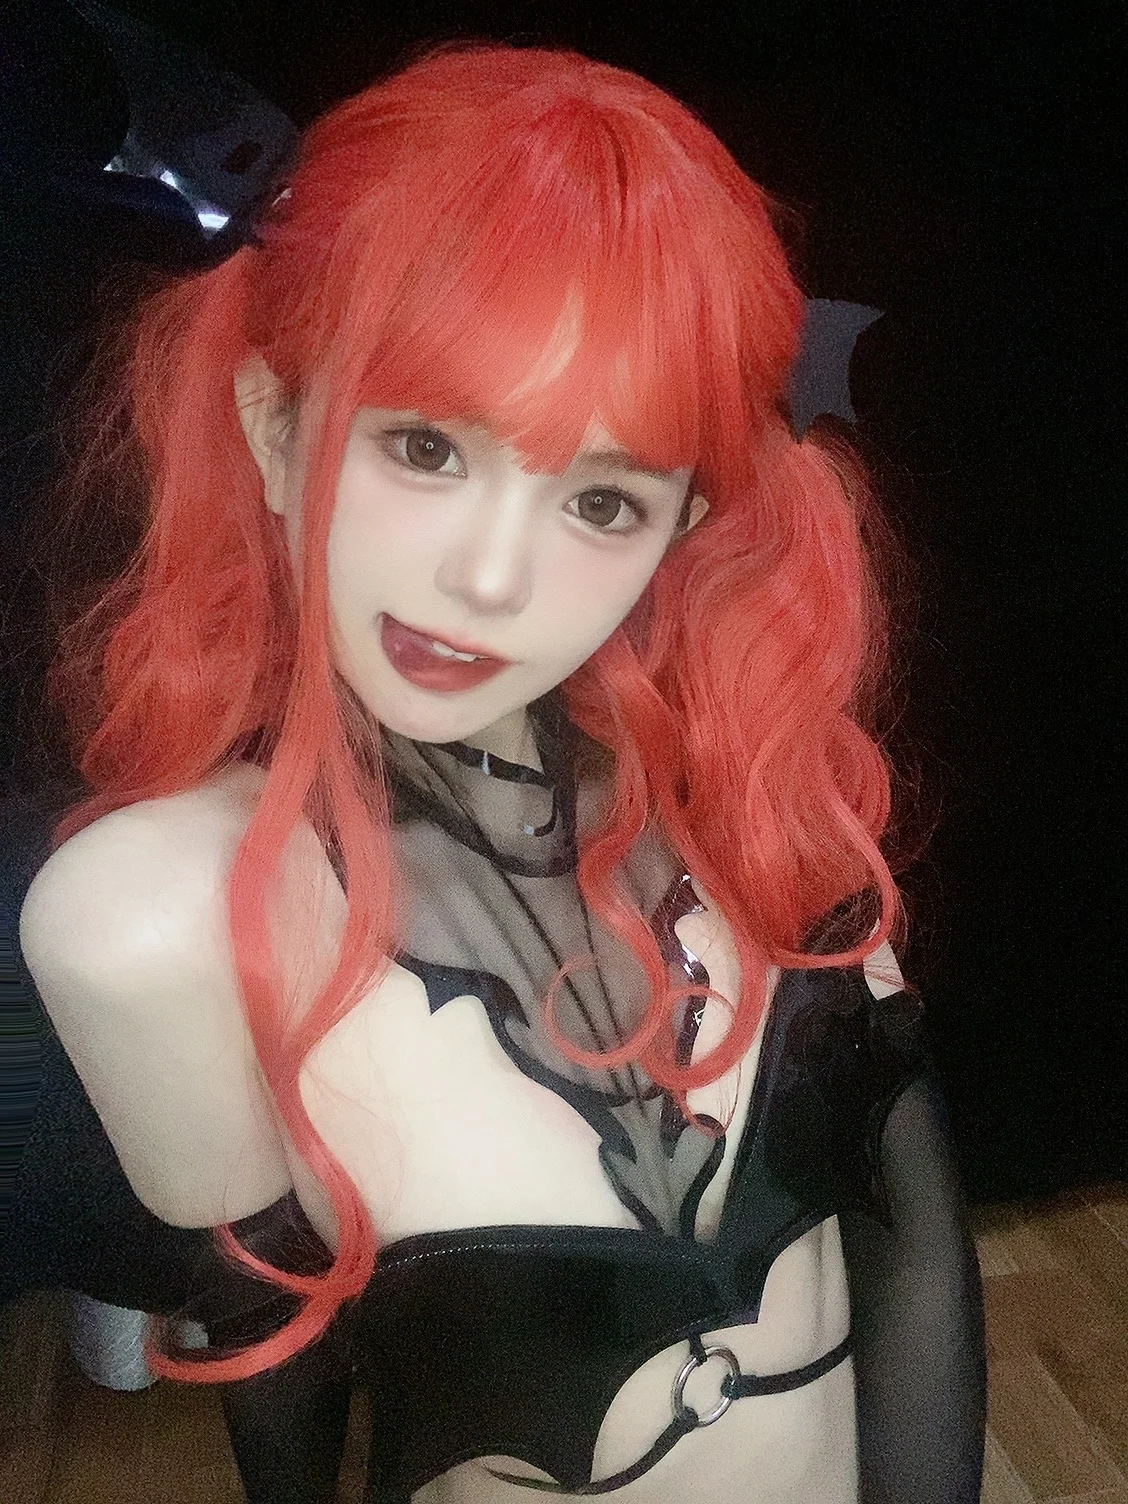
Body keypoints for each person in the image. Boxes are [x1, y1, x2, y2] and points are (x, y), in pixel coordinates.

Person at [13, 41, 985, 1503]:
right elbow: (280, 1377)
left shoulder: (747, 780)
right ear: (274, 431)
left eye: (602, 499)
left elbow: (910, 1238)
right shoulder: (154, 921)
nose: (488, 577)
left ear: (682, 529)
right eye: (424, 448)